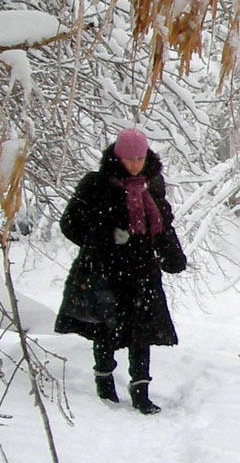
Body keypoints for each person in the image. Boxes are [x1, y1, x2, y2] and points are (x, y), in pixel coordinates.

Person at [55, 127, 187, 413]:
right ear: (118, 157)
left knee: (142, 331)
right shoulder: (97, 185)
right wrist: (106, 238)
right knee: (106, 330)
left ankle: (141, 390)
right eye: (130, 159)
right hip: (106, 270)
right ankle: (104, 383)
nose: (135, 164)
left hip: (142, 271)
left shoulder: (152, 185)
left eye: (140, 158)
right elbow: (70, 224)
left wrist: (172, 254)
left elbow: (163, 223)